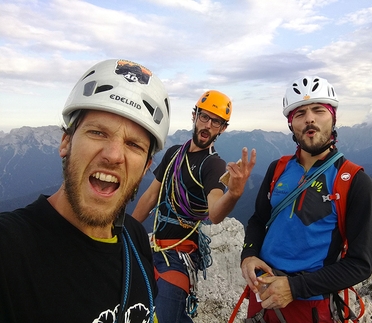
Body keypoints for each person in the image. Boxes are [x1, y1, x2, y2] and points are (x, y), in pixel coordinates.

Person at [0, 59, 171, 323]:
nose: (114, 155)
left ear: (146, 167)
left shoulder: (135, 239)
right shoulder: (11, 249)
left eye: (133, 145)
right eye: (98, 133)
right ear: (66, 142)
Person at [240, 76, 372, 322]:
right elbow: (258, 219)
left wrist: (295, 288)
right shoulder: (277, 169)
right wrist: (249, 254)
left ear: (333, 118)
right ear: (291, 124)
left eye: (318, 110)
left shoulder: (354, 182)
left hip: (311, 307)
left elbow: (360, 264)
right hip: (262, 298)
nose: (310, 119)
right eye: (300, 113)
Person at [132, 90, 256, 323]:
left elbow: (215, 212)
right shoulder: (173, 153)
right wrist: (127, 230)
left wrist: (234, 194)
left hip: (180, 257)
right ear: (194, 115)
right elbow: (151, 196)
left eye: (216, 121)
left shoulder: (213, 165)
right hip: (155, 249)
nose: (208, 125)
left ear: (222, 129)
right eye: (204, 117)